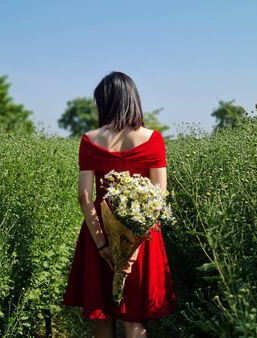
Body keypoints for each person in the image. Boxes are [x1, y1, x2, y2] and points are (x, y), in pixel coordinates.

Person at [63, 72, 176, 338]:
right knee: (133, 318)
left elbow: (84, 196)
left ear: (104, 102)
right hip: (143, 237)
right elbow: (159, 196)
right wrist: (134, 247)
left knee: (103, 317)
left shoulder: (90, 140)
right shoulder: (153, 139)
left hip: (98, 232)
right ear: (133, 100)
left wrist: (102, 243)